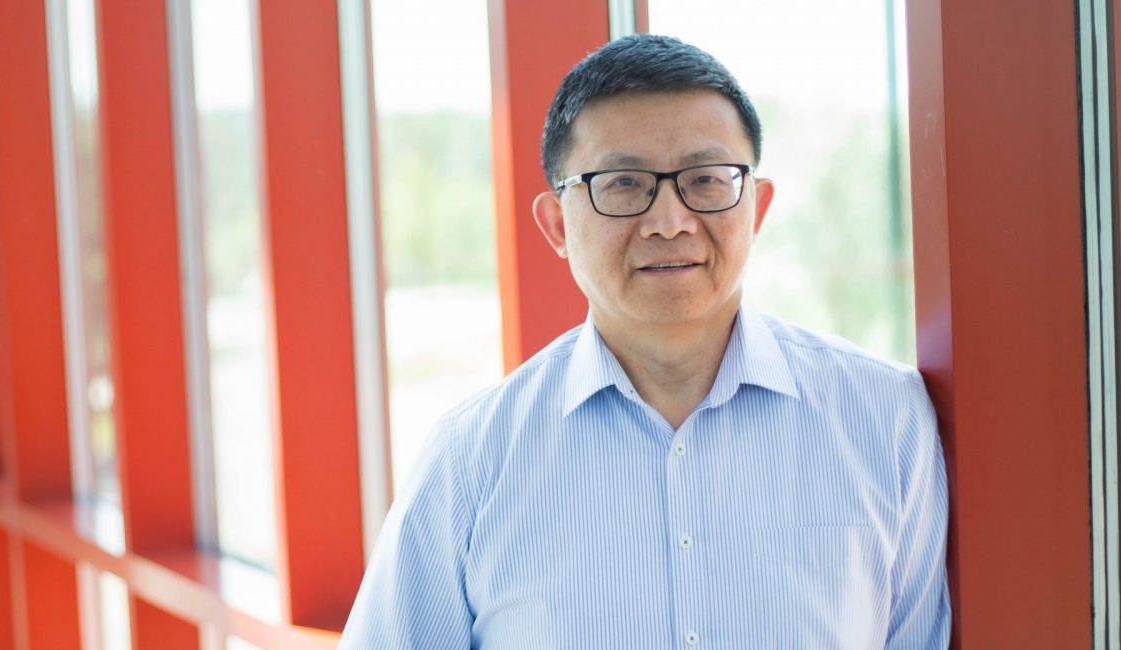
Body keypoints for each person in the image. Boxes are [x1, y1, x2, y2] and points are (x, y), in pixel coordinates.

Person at [341, 34, 949, 649]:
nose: (669, 221)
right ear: (556, 224)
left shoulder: (885, 417)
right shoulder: (470, 459)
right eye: (624, 184)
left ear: (757, 209)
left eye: (706, 180)